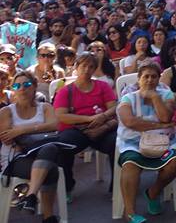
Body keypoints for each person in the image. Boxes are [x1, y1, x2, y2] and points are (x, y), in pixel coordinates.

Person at [116, 62, 176, 223]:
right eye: (145, 76)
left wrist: (154, 97)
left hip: (165, 141)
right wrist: (158, 125)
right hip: (134, 142)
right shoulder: (128, 97)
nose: (149, 80)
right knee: (130, 165)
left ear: (158, 79)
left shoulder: (166, 95)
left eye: (154, 76)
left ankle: (153, 192)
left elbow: (166, 117)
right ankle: (130, 212)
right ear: (139, 79)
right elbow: (130, 122)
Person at [0, 71, 65, 222]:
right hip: (15, 159)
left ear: (35, 86)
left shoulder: (45, 107)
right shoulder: (6, 111)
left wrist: (21, 130)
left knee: (49, 148)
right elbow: (7, 138)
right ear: (13, 89)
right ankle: (48, 216)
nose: (22, 88)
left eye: (27, 84)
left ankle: (30, 196)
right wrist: (40, 130)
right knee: (51, 168)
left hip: (41, 154)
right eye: (17, 86)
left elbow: (54, 125)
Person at [53, 51, 118, 199]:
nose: (87, 69)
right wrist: (88, 119)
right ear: (76, 67)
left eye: (91, 66)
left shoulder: (102, 86)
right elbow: (61, 116)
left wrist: (102, 116)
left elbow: (113, 107)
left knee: (117, 143)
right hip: (76, 128)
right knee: (63, 145)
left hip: (101, 127)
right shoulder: (65, 90)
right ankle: (67, 186)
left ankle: (116, 187)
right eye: (83, 66)